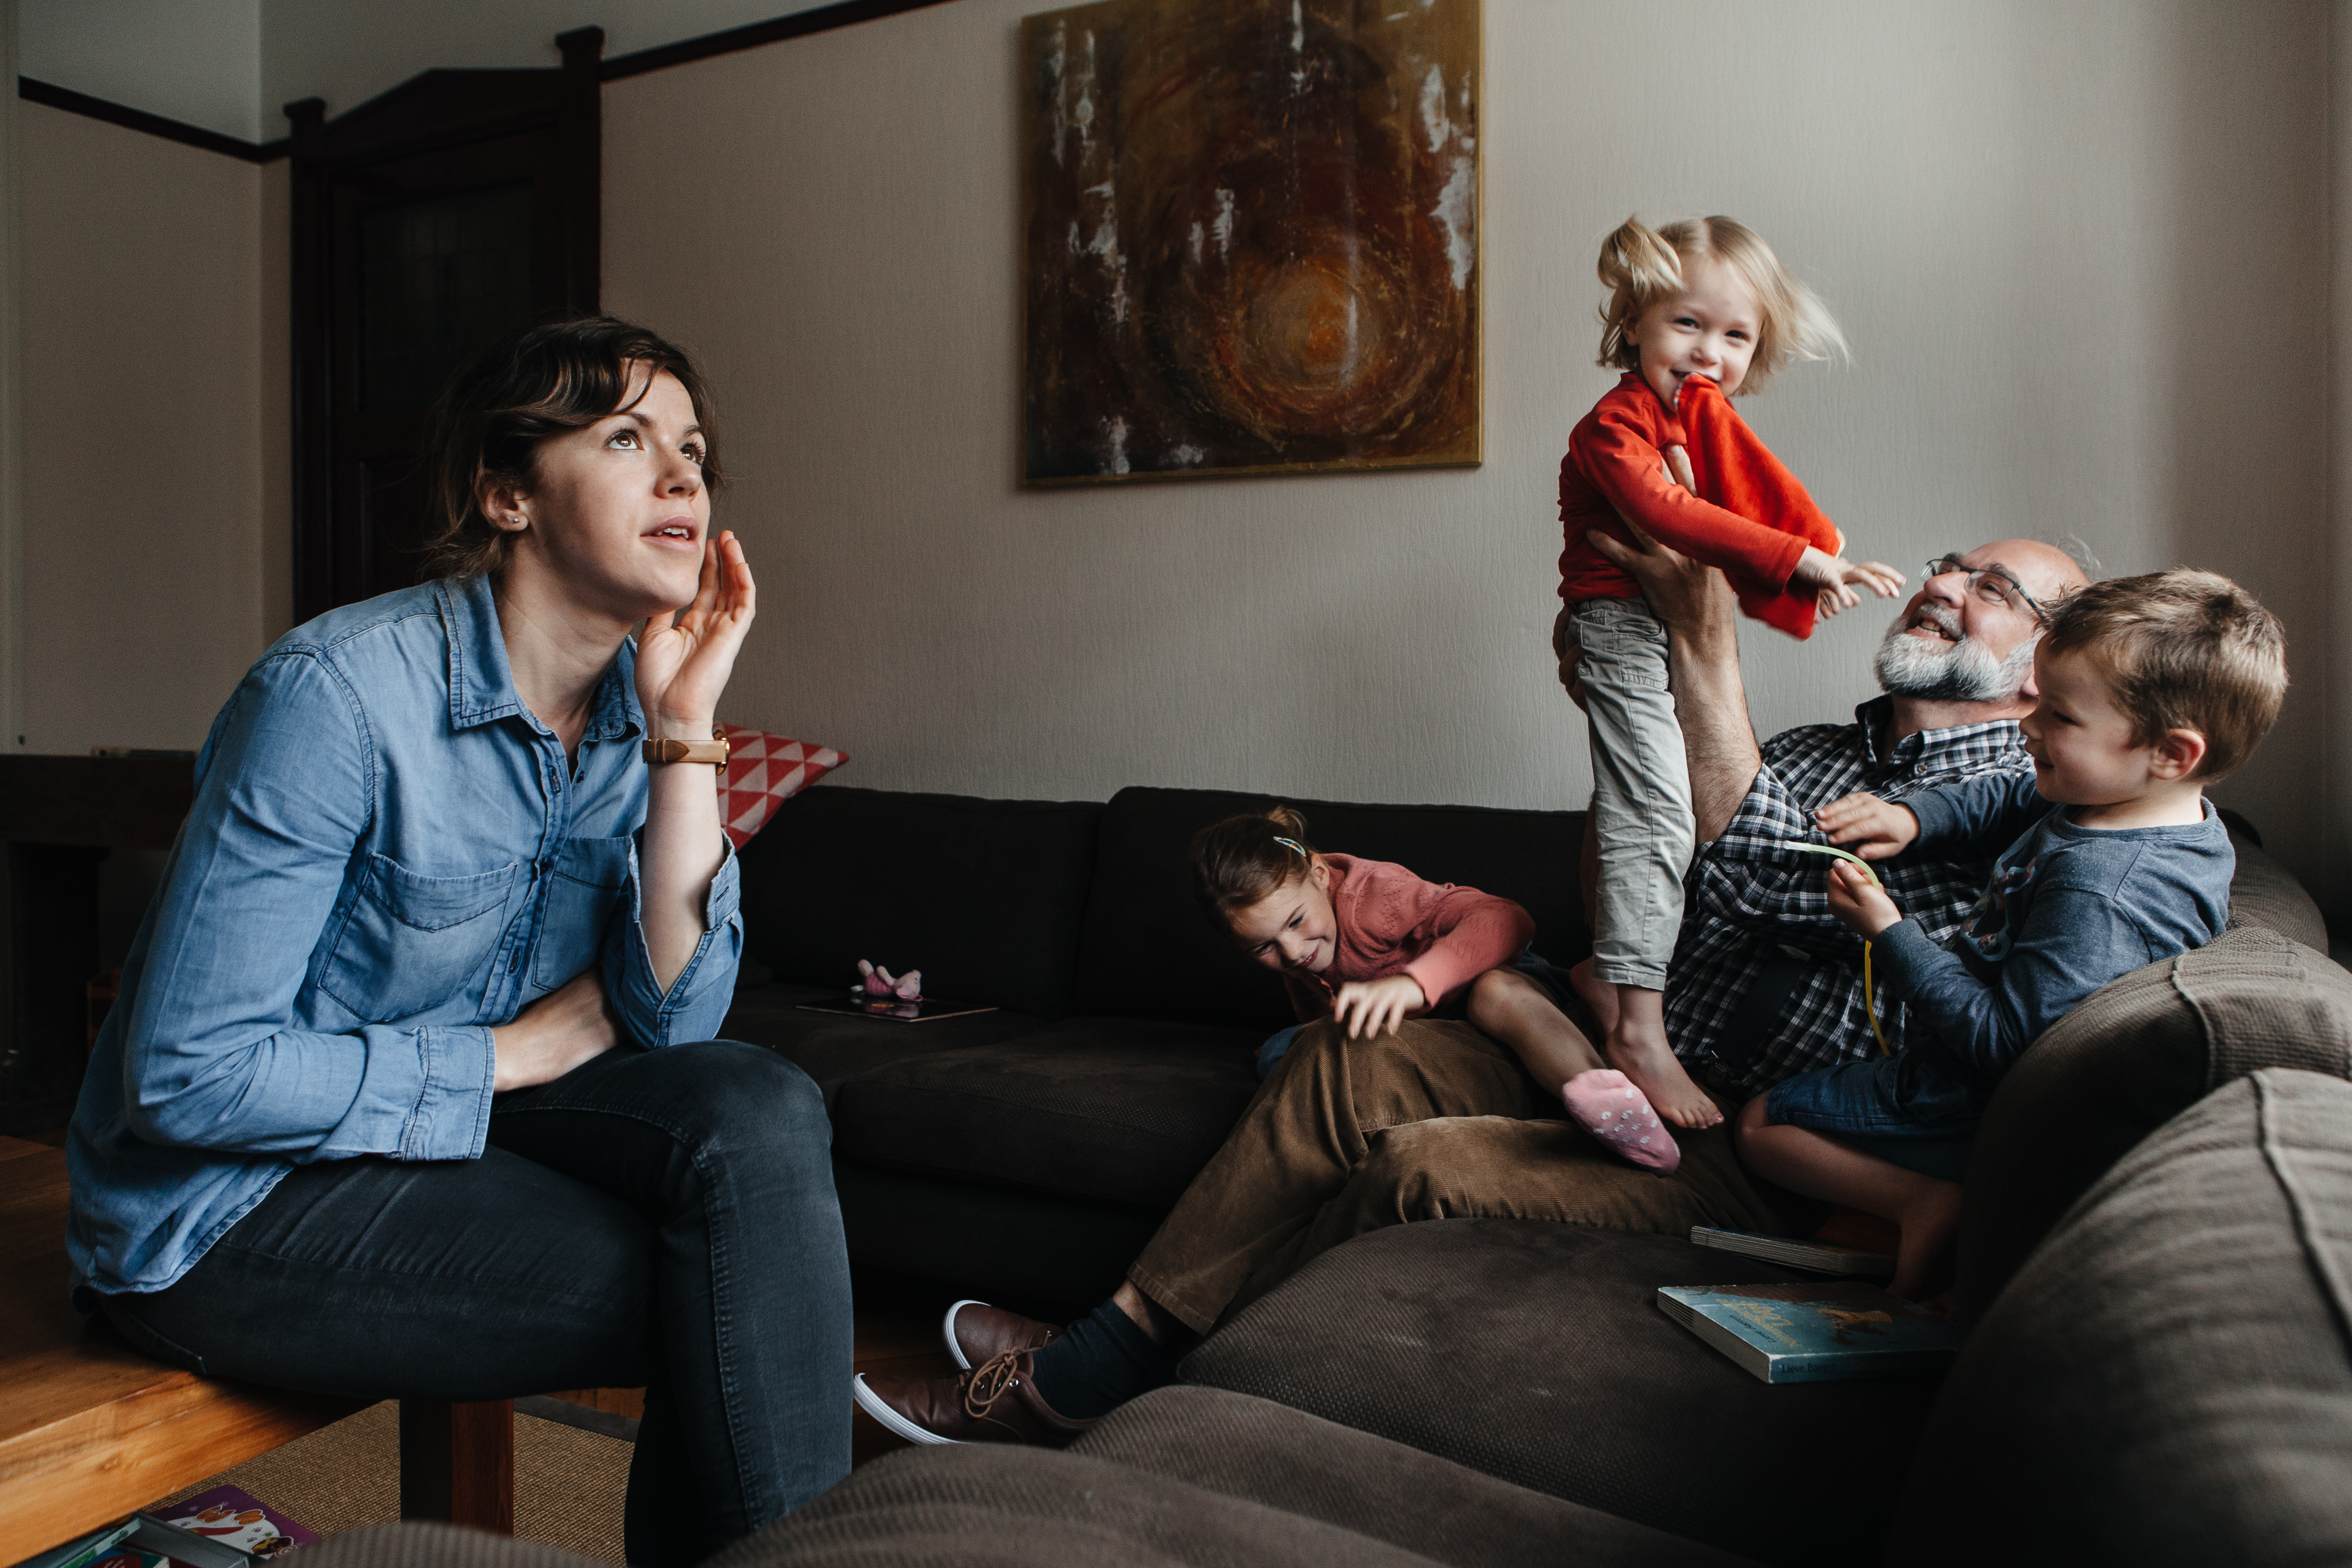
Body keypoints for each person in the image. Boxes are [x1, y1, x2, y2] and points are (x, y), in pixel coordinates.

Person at [846, 531, 2091, 1452]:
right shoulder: (1822, 751)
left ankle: (1107, 1380)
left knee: (1417, 1161)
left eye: (1995, 589)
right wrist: (1621, 706)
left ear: (2048, 666)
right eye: (1949, 560)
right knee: (1347, 1054)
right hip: (1622, 1061)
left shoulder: (2025, 804)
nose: (1945, 581)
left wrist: (1704, 643)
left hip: (1743, 1150)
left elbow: (1766, 885)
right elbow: (1664, 872)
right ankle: (1106, 1353)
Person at [63, 318, 851, 1566]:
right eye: (627, 438)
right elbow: (184, 1076)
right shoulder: (333, 698)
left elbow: (673, 1030)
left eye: (694, 450)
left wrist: (687, 730)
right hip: (225, 1209)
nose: (685, 479)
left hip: (443, 1148)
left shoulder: (633, 716)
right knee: (741, 1293)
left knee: (758, 1105)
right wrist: (506, 1057)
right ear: (507, 494)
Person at [1736, 569, 2285, 1296]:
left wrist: (1888, 934)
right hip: (1971, 1071)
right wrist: (1916, 818)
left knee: (1760, 1123)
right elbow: (2011, 795)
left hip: (1970, 1098)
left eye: (2059, 717)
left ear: (2172, 752)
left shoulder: (2103, 892)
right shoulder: (2132, 803)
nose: (2027, 727)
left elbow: (2007, 1049)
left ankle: (1922, 1201)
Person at [1557, 215, 1903, 1131]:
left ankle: (1612, 983)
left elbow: (1729, 509)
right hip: (1624, 625)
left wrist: (1790, 564)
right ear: (1632, 321)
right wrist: (1801, 560)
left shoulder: (1697, 422)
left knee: (1669, 808)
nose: (1709, 352)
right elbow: (1671, 515)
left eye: (1735, 335)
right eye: (1685, 324)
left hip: (1653, 624)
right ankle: (1638, 1027)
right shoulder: (1616, 424)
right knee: (1657, 813)